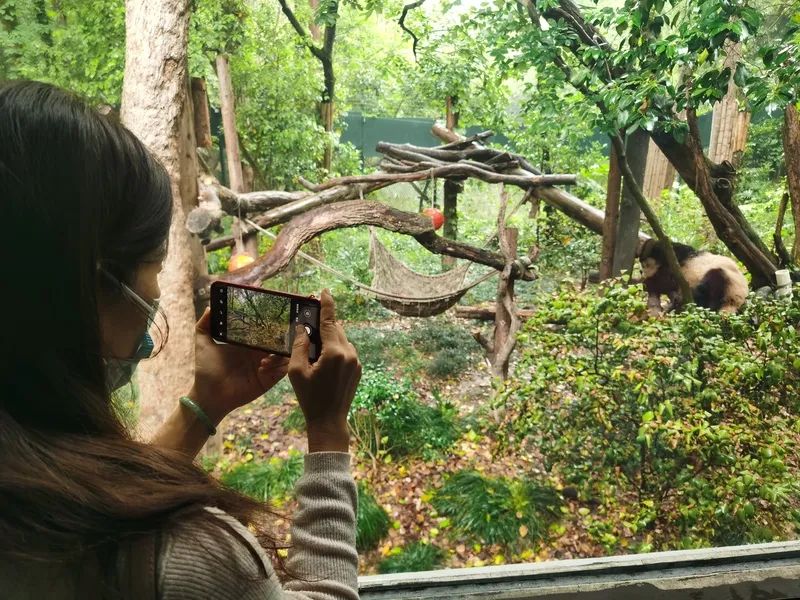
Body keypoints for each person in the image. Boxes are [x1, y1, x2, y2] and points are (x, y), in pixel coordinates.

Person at [0, 80, 362, 599]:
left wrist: (203, 407)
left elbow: (105, 501)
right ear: (95, 281)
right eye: (154, 271)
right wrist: (328, 431)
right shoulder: (189, 557)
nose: (155, 300)